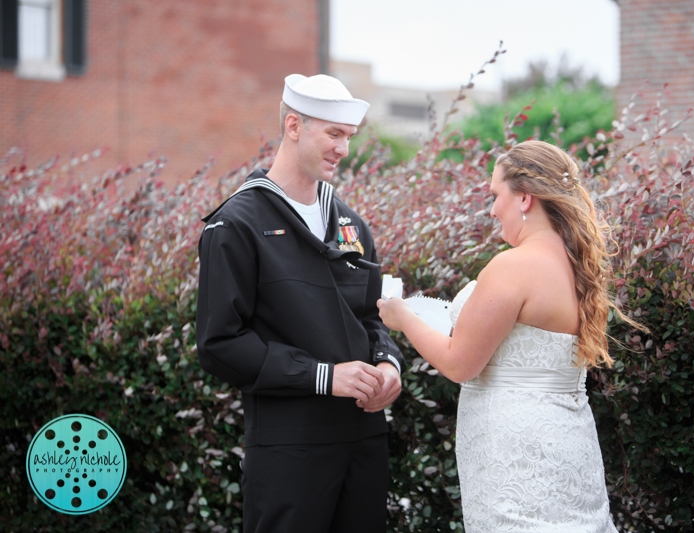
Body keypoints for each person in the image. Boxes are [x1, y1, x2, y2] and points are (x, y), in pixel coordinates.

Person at [378, 140, 637, 532]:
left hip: (517, 455)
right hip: (570, 445)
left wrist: (404, 318)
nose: (493, 208)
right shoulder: (576, 266)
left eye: (497, 195)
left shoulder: (513, 267)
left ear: (525, 199)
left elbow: (459, 363)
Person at [196, 73, 406, 533]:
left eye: (348, 137)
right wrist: (323, 377)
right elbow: (218, 343)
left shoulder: (351, 224)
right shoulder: (236, 224)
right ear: (293, 126)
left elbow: (373, 317)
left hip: (365, 442)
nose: (344, 150)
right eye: (333, 134)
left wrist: (389, 365)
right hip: (289, 449)